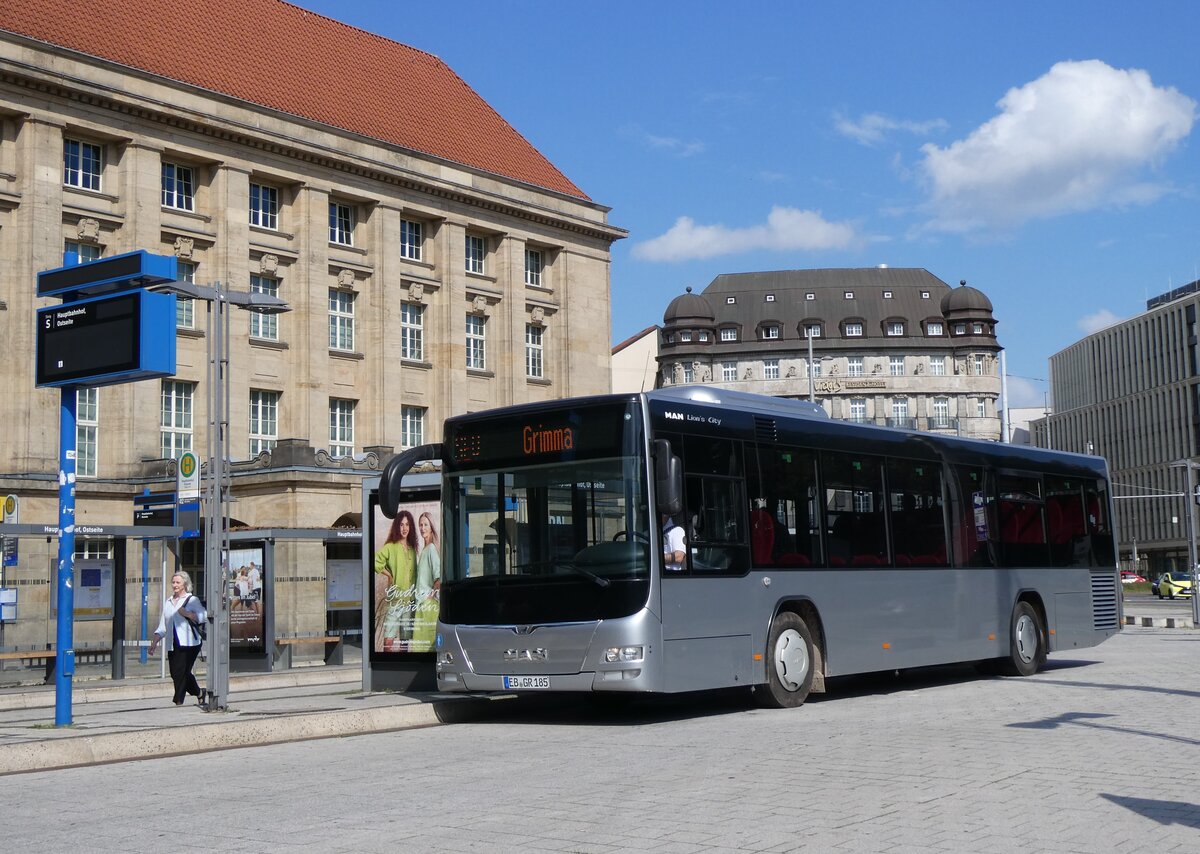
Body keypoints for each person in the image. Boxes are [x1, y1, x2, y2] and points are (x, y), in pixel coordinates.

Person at [149, 571, 207, 706]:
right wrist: (155, 642)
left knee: (181, 671)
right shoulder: (168, 602)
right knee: (176, 673)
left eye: (178, 582)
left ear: (185, 584)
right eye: (173, 582)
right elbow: (163, 625)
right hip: (173, 643)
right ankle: (199, 692)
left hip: (190, 643)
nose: (174, 585)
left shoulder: (192, 600)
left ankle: (178, 701)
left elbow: (203, 615)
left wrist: (187, 614)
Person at [373, 510, 418, 651]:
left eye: (407, 525)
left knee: (405, 640)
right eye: (401, 525)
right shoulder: (390, 547)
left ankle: (403, 664)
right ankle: (387, 664)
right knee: (389, 638)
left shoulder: (412, 549)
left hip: (409, 600)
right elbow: (375, 562)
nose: (404, 528)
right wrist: (389, 575)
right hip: (395, 600)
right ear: (397, 526)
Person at [412, 511, 442, 651]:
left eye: (425, 524)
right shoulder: (424, 549)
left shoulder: (430, 550)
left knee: (425, 649)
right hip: (422, 605)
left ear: (431, 527)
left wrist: (430, 595)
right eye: (420, 525)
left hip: (427, 606)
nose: (422, 528)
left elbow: (439, 578)